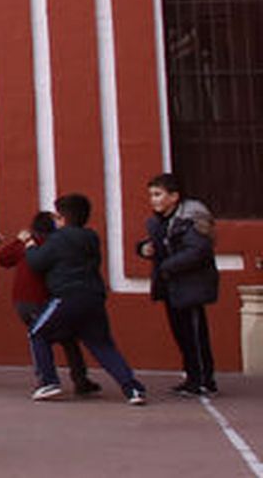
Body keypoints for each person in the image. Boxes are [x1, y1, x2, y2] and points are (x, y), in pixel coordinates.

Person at [26, 193, 148, 406]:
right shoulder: (91, 237)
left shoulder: (58, 239)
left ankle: (48, 381)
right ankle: (132, 388)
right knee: (102, 344)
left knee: (37, 333)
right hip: (93, 296)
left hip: (66, 297)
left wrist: (30, 246)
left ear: (62, 218)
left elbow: (37, 263)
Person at [0, 212, 98, 399]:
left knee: (56, 337)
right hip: (43, 301)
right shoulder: (52, 245)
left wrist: (19, 241)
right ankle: (52, 380)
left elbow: (2, 259)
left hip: (22, 302)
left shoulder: (29, 244)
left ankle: (72, 379)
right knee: (54, 338)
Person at [136, 172, 219, 396]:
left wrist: (167, 266)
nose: (153, 199)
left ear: (174, 197)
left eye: (158, 194)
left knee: (194, 334)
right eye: (151, 195)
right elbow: (158, 244)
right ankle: (192, 376)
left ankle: (203, 380)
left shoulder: (192, 218)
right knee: (181, 334)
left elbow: (197, 250)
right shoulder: (158, 221)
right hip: (171, 286)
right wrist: (144, 248)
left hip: (191, 285)